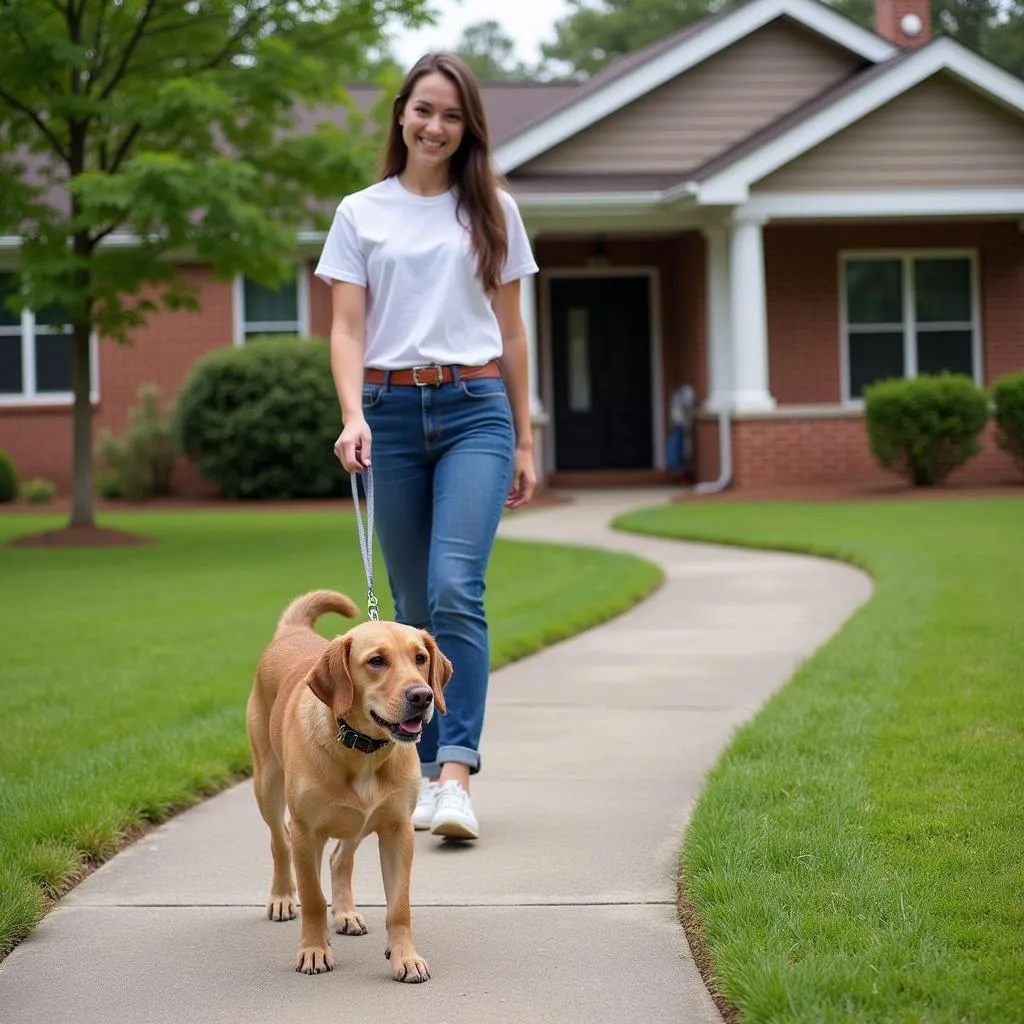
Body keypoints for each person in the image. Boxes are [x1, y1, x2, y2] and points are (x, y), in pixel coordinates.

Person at [314, 52, 539, 842]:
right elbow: (345, 327)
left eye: (451, 115)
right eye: (423, 110)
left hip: (478, 405)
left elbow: (512, 332)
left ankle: (455, 777)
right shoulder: (360, 212)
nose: (435, 126)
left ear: (466, 127)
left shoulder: (494, 212)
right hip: (390, 413)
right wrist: (353, 414)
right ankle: (418, 765)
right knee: (409, 614)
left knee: (453, 590)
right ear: (401, 116)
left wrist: (525, 435)